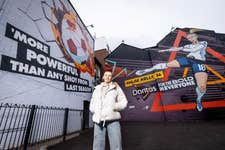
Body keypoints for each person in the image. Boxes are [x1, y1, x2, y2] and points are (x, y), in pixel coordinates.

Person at [136, 32, 208, 112]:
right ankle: (146, 70)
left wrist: (182, 48)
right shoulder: (188, 45)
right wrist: (166, 50)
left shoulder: (203, 43)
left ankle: (198, 100)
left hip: (199, 63)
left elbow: (194, 49)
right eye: (189, 38)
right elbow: (177, 48)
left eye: (192, 37)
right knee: (167, 64)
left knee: (202, 87)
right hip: (188, 59)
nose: (191, 39)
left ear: (196, 36)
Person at [90, 71, 128, 150]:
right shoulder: (97, 89)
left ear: (111, 78)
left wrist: (114, 106)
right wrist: (95, 110)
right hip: (99, 120)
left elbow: (124, 101)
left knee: (116, 145)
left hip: (112, 119)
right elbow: (92, 103)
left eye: (110, 76)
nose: (107, 77)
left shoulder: (116, 87)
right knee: (97, 146)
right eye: (106, 75)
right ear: (103, 77)